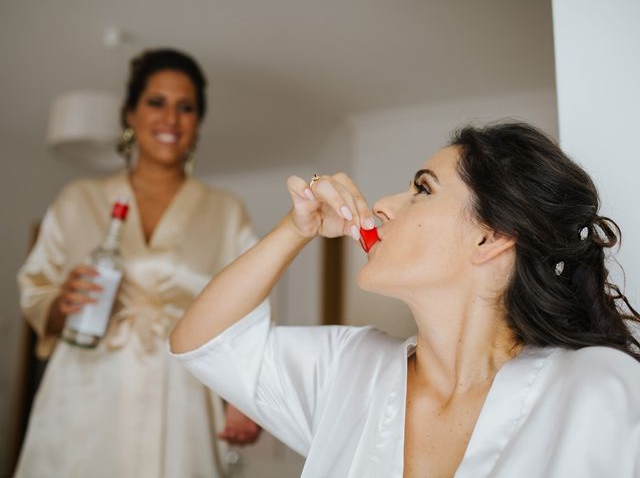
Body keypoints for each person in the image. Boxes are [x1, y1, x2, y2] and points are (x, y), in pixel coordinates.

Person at [170, 122, 640, 477]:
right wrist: (298, 228)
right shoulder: (346, 370)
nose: (383, 205)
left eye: (422, 189)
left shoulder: (597, 387)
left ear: (492, 238)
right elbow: (203, 341)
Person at [16, 49, 261, 478]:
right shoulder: (78, 200)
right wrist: (61, 304)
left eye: (185, 108)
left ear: (198, 123)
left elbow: (248, 311)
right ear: (129, 113)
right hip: (85, 382)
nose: (170, 119)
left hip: (182, 391)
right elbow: (36, 289)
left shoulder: (227, 212)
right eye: (156, 102)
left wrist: (243, 396)